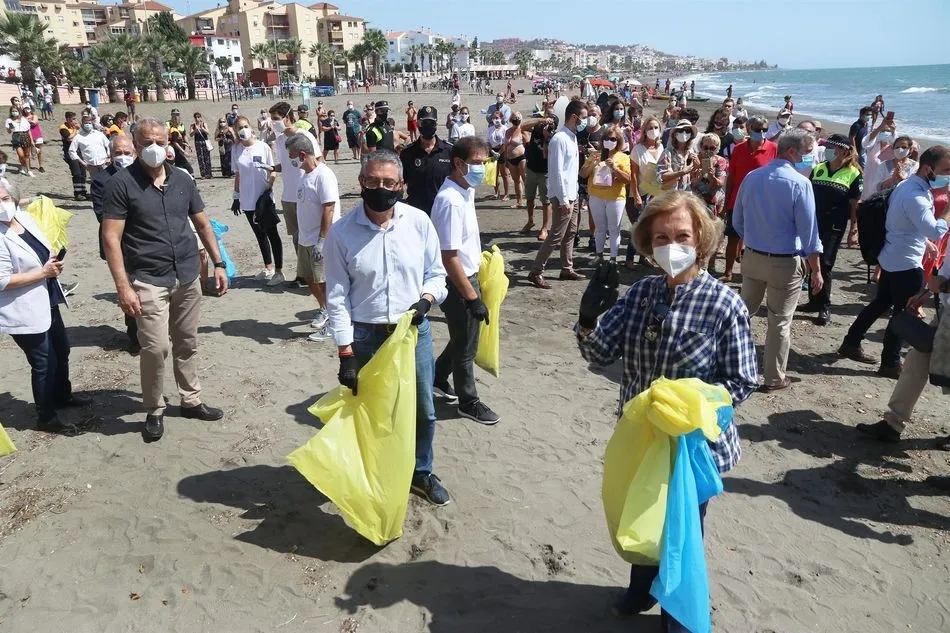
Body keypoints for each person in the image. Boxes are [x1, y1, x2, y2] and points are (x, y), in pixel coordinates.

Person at [575, 190, 758, 630]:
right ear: (647, 243)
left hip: (691, 449)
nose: (671, 246)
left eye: (681, 235)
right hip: (642, 440)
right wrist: (586, 320)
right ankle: (640, 593)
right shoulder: (640, 294)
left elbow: (741, 380)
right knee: (644, 517)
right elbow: (601, 355)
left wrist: (695, 406)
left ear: (702, 239)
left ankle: (675, 616)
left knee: (680, 534)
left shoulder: (723, 303)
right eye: (661, 237)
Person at [323, 149, 451, 506]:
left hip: (412, 333)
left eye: (389, 183)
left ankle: (420, 472)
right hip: (365, 336)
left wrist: (427, 299)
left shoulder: (419, 222)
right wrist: (345, 351)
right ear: (362, 183)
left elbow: (436, 273)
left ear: (402, 186)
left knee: (423, 409)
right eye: (373, 181)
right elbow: (336, 296)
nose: (381, 188)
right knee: (370, 411)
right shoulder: (341, 234)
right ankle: (375, 474)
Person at [101, 118, 229, 442]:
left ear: (169, 141)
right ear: (136, 145)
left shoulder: (183, 180)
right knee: (156, 347)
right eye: (146, 143)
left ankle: (191, 399)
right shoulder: (121, 184)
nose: (154, 148)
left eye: (160, 141)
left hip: (186, 275)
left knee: (187, 341)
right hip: (148, 279)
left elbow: (202, 223)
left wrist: (218, 263)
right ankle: (154, 408)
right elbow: (111, 238)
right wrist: (122, 287)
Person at [838, 146, 950, 377]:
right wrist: (948, 209)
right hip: (906, 263)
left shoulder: (908, 185)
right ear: (928, 169)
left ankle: (851, 342)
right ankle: (890, 362)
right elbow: (936, 231)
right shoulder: (916, 196)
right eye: (946, 169)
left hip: (892, 255)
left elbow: (903, 221)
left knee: (881, 302)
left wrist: (923, 241)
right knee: (903, 313)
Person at [733, 128, 824, 391]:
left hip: (752, 256)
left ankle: (728, 362)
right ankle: (773, 377)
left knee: (742, 313)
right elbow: (809, 234)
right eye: (807, 153)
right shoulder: (800, 183)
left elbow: (738, 220)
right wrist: (816, 269)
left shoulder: (753, 177)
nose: (811, 158)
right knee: (779, 322)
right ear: (792, 152)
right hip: (784, 262)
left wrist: (754, 238)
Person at [1, 179, 90, 435]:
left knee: (61, 350)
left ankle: (63, 396)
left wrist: (52, 261)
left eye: (5, 198)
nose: (2, 204)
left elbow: (43, 247)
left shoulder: (23, 219)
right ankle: (46, 416)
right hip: (23, 308)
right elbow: (2, 281)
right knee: (44, 362)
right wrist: (43, 273)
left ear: (14, 198)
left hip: (47, 298)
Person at [429, 136, 500, 424]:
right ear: (458, 164)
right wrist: (471, 297)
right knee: (467, 345)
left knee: (462, 337)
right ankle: (468, 401)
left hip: (470, 274)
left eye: (485, 163)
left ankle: (437, 375)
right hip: (457, 281)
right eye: (477, 164)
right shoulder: (450, 202)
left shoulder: (465, 190)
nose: (482, 169)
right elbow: (449, 257)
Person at [797, 134, 863, 326]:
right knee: (810, 259)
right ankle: (813, 301)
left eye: (833, 147)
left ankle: (824, 305)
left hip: (835, 225)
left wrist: (854, 229)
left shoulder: (853, 173)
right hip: (814, 222)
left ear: (843, 150)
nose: (828, 150)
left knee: (825, 264)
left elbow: (854, 204)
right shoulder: (818, 169)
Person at [285, 133, 340, 342]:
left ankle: (334, 323)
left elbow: (329, 209)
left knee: (325, 281)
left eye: (292, 156)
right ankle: (324, 308)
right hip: (305, 238)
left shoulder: (323, 175)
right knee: (309, 277)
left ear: (301, 154)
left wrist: (323, 240)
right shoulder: (303, 175)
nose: (291, 160)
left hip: (321, 239)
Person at [528, 99, 588, 289]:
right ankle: (536, 271)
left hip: (573, 192)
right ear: (574, 117)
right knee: (556, 234)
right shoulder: (559, 139)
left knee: (571, 232)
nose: (587, 121)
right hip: (563, 195)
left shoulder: (572, 136)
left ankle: (566, 267)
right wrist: (563, 199)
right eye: (584, 118)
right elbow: (557, 172)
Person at [91, 135, 138, 350]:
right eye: (118, 153)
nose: (123, 157)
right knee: (128, 289)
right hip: (119, 245)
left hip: (146, 241)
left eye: (127, 153)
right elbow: (103, 215)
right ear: (110, 155)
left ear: (135, 152)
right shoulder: (102, 180)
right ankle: (135, 336)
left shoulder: (141, 174)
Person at [721, 115, 777, 282]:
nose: (761, 133)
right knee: (733, 237)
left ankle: (752, 273)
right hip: (737, 200)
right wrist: (726, 201)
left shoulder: (773, 148)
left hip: (762, 203)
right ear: (749, 129)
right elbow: (731, 177)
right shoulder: (739, 149)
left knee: (758, 240)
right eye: (757, 129)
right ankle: (728, 272)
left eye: (764, 130)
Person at [270, 101, 320, 288]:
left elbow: (317, 161)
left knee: (309, 236)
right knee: (296, 236)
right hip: (288, 195)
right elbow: (288, 163)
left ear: (288, 117)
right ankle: (303, 275)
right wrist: (274, 167)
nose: (274, 123)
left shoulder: (304, 136)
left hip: (305, 195)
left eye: (276, 119)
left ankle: (315, 275)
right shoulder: (281, 139)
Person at [230, 115, 283, 286]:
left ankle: (279, 271)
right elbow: (238, 173)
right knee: (259, 234)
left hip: (264, 198)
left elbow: (273, 170)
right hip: (247, 199)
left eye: (245, 126)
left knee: (272, 233)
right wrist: (236, 196)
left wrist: (270, 184)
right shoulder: (236, 149)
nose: (243, 129)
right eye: (239, 128)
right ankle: (268, 268)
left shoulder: (263, 147)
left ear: (251, 127)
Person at [579, 125, 631, 261]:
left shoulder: (623, 157)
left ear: (618, 141)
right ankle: (599, 255)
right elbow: (582, 174)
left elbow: (627, 179)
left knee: (614, 230)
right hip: (596, 197)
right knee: (600, 229)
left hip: (615, 198)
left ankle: (613, 259)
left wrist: (614, 168)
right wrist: (592, 164)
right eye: (607, 138)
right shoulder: (595, 154)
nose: (610, 141)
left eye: (613, 139)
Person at [625, 115, 665, 269]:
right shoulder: (638, 149)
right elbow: (633, 175)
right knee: (639, 227)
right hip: (638, 194)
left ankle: (643, 257)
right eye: (650, 128)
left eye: (656, 128)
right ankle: (629, 258)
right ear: (644, 131)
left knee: (650, 226)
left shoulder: (661, 147)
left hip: (653, 192)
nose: (653, 131)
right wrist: (635, 194)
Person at [399, 106, 453, 216]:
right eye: (424, 122)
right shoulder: (408, 153)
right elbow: (399, 183)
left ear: (436, 124)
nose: (428, 126)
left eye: (431, 123)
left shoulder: (449, 151)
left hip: (443, 211)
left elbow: (458, 181)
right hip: (416, 212)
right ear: (418, 124)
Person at [524, 115, 554, 242]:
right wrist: (540, 121)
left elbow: (546, 155)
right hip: (531, 168)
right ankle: (530, 221)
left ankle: (545, 228)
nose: (546, 126)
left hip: (545, 172)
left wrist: (548, 137)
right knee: (529, 198)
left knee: (546, 201)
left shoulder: (554, 136)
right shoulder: (537, 128)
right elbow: (522, 126)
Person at [656, 119, 698, 192]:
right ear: (675, 134)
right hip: (670, 194)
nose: (684, 133)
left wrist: (696, 165)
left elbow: (692, 175)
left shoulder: (691, 152)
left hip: (685, 193)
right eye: (681, 131)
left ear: (691, 135)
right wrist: (681, 172)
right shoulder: (668, 152)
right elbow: (663, 176)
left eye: (687, 131)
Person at [68, 114, 110, 180]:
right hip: (91, 166)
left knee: (107, 182)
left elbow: (108, 145)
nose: (88, 124)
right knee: (96, 184)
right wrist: (83, 163)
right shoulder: (78, 137)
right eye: (86, 123)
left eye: (89, 123)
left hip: (104, 163)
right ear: (82, 124)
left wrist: (109, 157)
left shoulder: (99, 134)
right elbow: (71, 151)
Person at [59, 111, 86, 199]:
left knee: (83, 172)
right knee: (76, 173)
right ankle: (77, 193)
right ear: (68, 119)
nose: (75, 121)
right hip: (70, 152)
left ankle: (83, 191)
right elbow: (69, 138)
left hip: (79, 151)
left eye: (75, 119)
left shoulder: (77, 127)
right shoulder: (63, 128)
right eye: (73, 119)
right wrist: (75, 129)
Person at [504, 112, 527, 208]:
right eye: (514, 117)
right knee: (516, 180)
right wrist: (505, 159)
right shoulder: (508, 131)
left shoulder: (523, 130)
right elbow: (505, 146)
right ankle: (519, 201)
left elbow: (527, 142)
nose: (516, 119)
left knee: (525, 179)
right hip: (510, 158)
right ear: (511, 119)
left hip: (521, 157)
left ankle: (531, 200)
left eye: (518, 117)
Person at [485, 109, 509, 200]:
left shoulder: (505, 129)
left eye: (497, 118)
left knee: (504, 174)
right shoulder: (490, 129)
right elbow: (487, 142)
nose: (496, 120)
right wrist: (492, 152)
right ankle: (496, 192)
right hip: (492, 151)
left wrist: (499, 153)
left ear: (501, 118)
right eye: (494, 118)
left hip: (502, 151)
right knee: (494, 173)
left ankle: (506, 193)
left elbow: (505, 143)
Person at [6, 106, 34, 176]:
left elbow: (28, 130)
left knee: (27, 154)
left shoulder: (23, 119)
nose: (14, 112)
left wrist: (32, 140)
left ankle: (28, 170)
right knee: (21, 155)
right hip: (16, 136)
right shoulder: (9, 120)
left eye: (16, 111)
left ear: (19, 111)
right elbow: (9, 131)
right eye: (13, 111)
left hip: (25, 136)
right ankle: (23, 166)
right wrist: (9, 128)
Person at [190, 112, 213, 179]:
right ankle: (203, 174)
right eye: (196, 117)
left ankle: (209, 173)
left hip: (205, 141)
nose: (197, 119)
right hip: (197, 142)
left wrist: (202, 128)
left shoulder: (204, 124)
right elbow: (191, 134)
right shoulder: (193, 125)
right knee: (200, 158)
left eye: (198, 117)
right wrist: (195, 130)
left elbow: (208, 132)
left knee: (207, 157)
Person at [24, 105, 44, 173]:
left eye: (28, 108)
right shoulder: (23, 117)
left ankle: (41, 166)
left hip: (37, 134)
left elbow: (35, 122)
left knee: (39, 151)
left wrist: (27, 121)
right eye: (25, 108)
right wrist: (28, 120)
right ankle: (28, 166)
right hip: (28, 135)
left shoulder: (34, 115)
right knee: (27, 152)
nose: (26, 110)